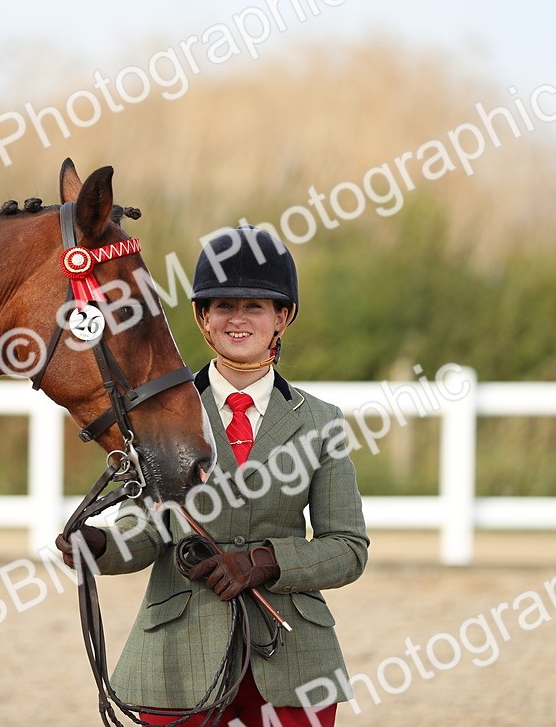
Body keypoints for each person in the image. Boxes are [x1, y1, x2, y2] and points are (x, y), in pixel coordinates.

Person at [58, 226, 369, 726]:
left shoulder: (321, 422)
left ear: (282, 317)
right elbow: (149, 530)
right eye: (223, 306)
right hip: (178, 658)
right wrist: (101, 547)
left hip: (292, 657)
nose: (238, 319)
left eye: (255, 306)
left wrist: (265, 561)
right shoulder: (160, 417)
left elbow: (348, 548)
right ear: (203, 318)